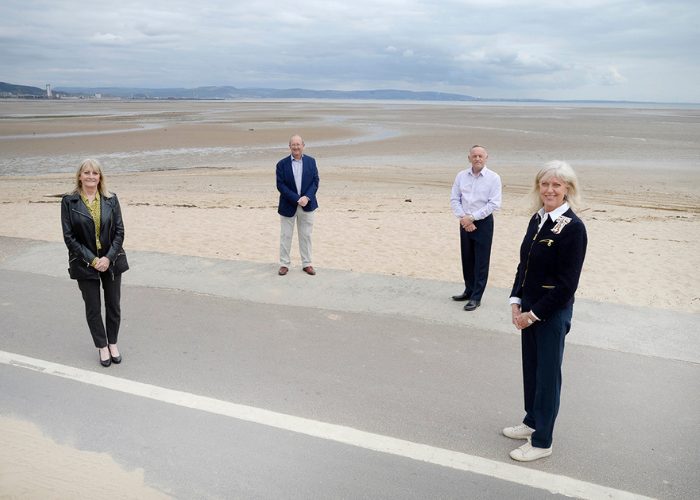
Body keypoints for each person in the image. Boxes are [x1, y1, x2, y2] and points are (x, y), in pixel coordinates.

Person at [504, 160, 587, 462]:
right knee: (532, 371)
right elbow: (524, 265)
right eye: (545, 184)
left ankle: (542, 442)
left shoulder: (573, 228)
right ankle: (532, 422)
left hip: (550, 315)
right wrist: (516, 300)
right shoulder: (537, 219)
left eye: (556, 185)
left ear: (567, 189)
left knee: (548, 377)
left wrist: (533, 314)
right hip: (527, 310)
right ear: (538, 187)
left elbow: (567, 285)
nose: (549, 190)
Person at [61, 159, 129, 367]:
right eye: (87, 172)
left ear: (100, 177)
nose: (91, 176)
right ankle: (101, 346)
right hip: (85, 262)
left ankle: (113, 343)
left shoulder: (111, 199)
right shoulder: (69, 201)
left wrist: (108, 257)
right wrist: (92, 259)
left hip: (111, 260)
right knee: (93, 307)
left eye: (95, 173)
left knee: (113, 305)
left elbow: (119, 231)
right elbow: (69, 237)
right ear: (80, 176)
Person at [450, 145, 502, 311]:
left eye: (480, 156)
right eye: (474, 156)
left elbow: (494, 204)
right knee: (467, 258)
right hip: (464, 221)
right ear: (469, 158)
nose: (477, 159)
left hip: (483, 222)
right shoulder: (461, 176)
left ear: (486, 158)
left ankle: (476, 297)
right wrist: (464, 219)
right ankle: (468, 290)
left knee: (481, 261)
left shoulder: (494, 178)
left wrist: (472, 218)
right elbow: (454, 199)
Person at [276, 134, 319, 276]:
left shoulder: (311, 162)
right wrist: (296, 199)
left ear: (303, 146)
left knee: (306, 236)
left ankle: (307, 264)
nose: (296, 147)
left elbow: (315, 182)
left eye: (298, 144)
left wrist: (306, 197)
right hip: (288, 205)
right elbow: (281, 185)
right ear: (289, 147)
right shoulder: (281, 164)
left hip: (307, 205)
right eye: (293, 145)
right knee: (286, 236)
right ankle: (284, 264)